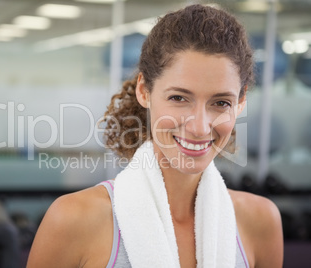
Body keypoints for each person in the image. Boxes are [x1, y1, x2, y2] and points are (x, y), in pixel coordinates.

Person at [27, 4, 283, 268]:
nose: (199, 127)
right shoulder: (73, 220)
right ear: (144, 91)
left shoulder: (261, 222)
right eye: (179, 98)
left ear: (240, 102)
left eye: (220, 103)